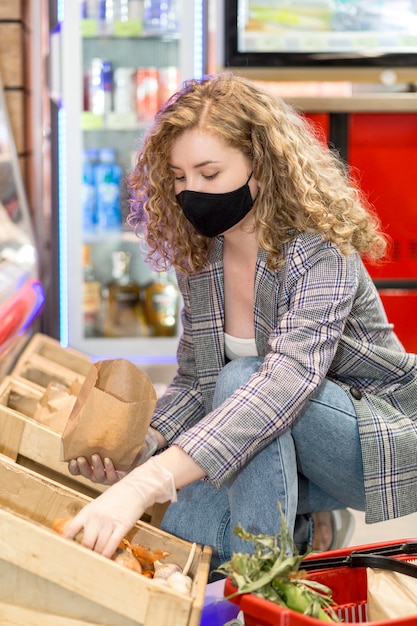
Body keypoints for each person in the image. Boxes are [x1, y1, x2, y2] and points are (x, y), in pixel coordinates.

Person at [65, 73, 417, 572]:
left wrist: (149, 483)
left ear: (262, 166)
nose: (192, 192)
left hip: (377, 440)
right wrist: (142, 447)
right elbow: (194, 381)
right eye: (179, 176)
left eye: (209, 174)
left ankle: (265, 584)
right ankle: (295, 537)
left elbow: (283, 383)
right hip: (269, 436)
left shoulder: (319, 249)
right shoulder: (202, 255)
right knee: (191, 539)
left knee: (241, 382)